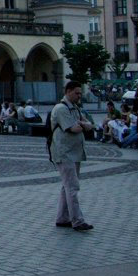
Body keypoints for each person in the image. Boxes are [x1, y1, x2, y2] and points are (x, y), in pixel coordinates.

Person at [50, 81, 93, 231]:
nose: (80, 95)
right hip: (64, 152)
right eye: (77, 93)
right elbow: (74, 128)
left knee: (67, 186)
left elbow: (89, 125)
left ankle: (62, 218)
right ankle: (77, 220)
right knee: (72, 186)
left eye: (80, 93)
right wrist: (82, 125)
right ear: (68, 91)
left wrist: (82, 124)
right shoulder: (61, 108)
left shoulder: (74, 108)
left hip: (75, 152)